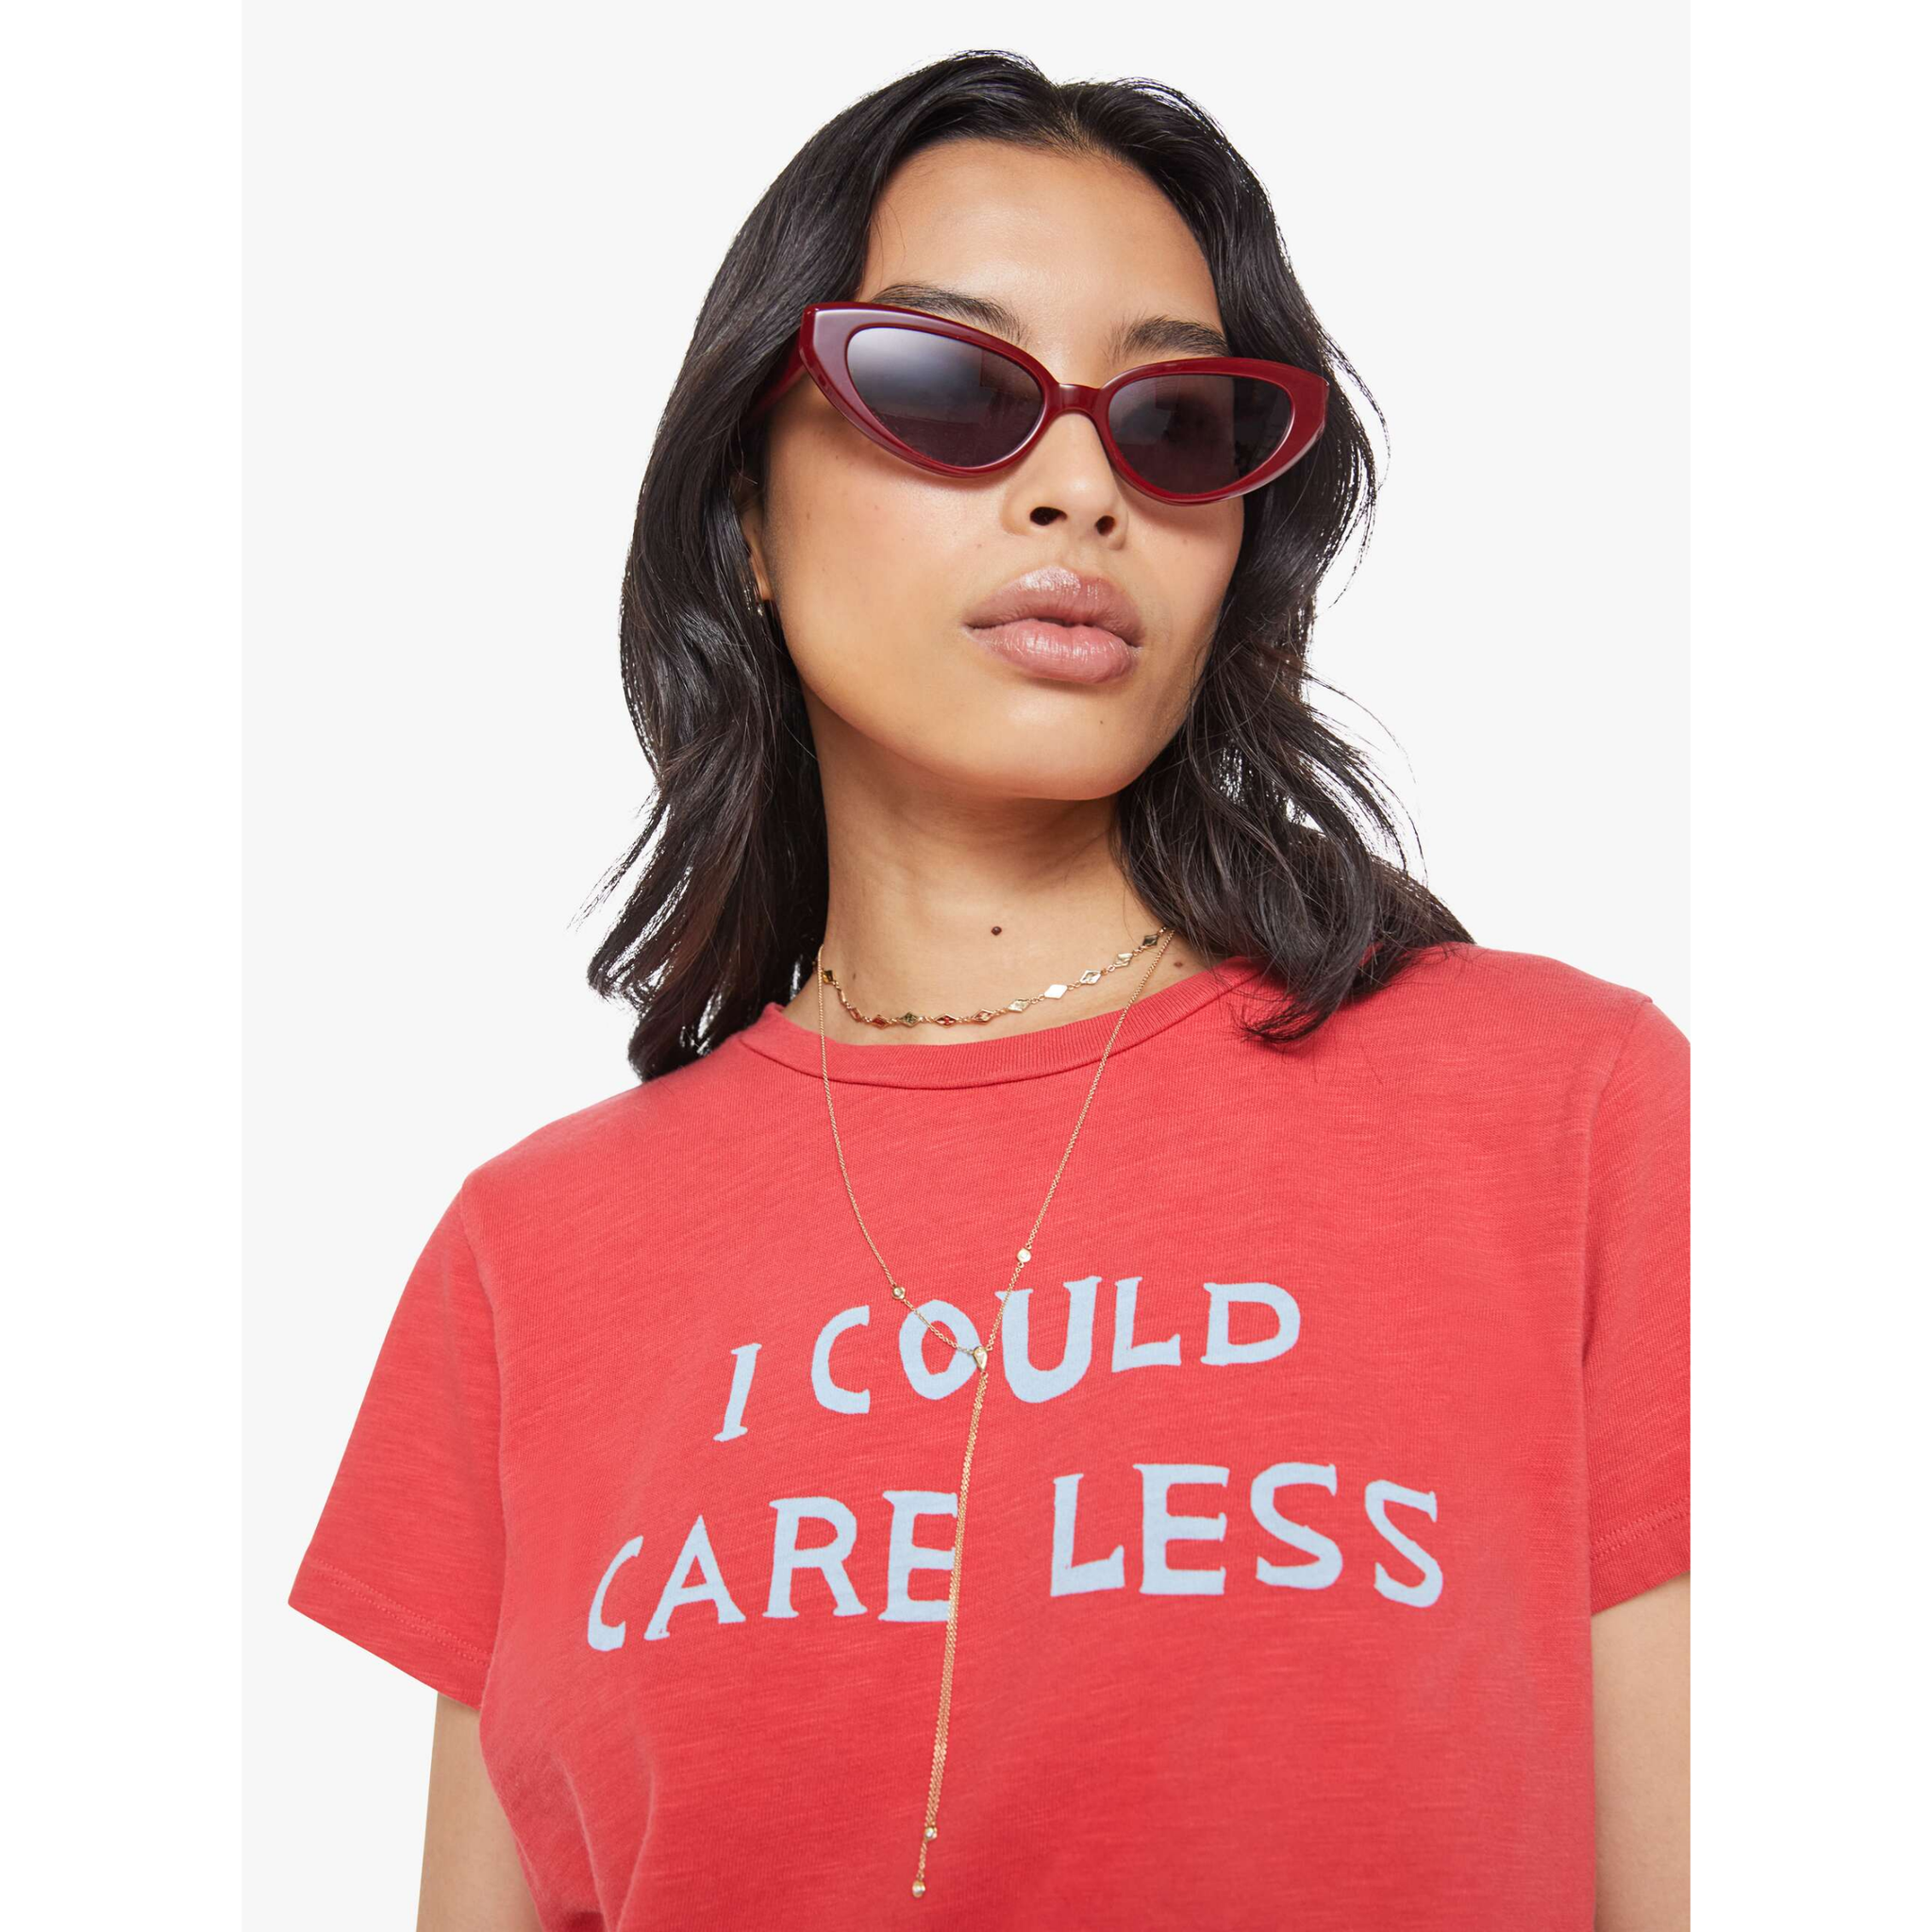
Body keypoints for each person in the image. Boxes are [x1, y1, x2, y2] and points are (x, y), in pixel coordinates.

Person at [288, 49, 1689, 1932]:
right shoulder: (528, 1261)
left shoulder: (1572, 1116)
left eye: (1176, 421)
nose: (1081, 490)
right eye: (949, 390)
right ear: (744, 516)